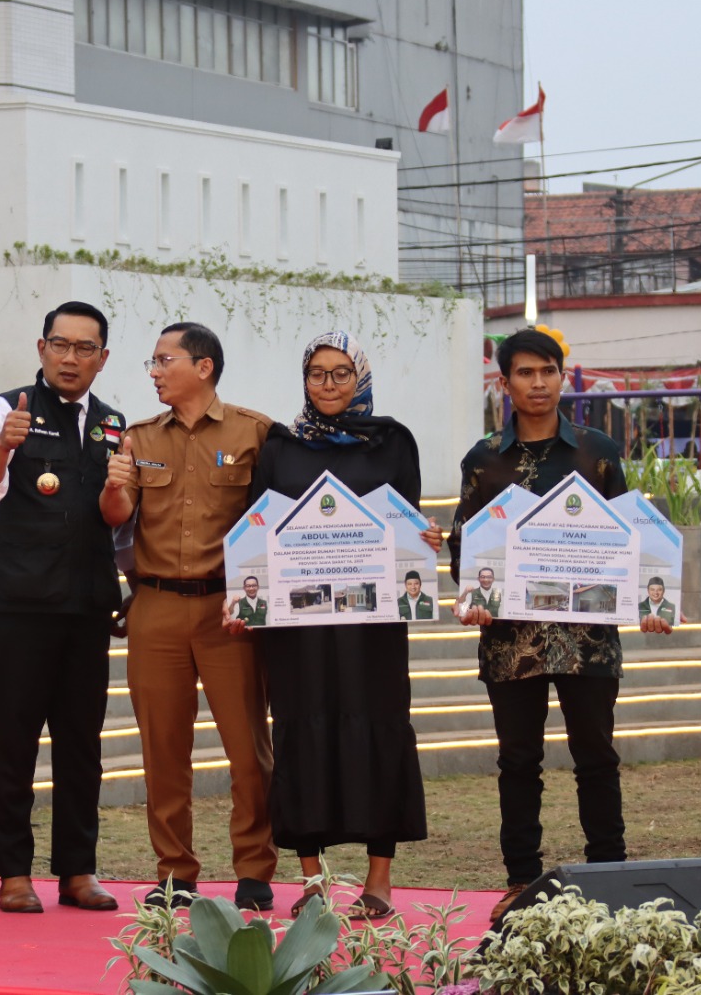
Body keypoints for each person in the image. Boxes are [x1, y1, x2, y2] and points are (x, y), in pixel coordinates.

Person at [448, 328, 674, 925]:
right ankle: (521, 878)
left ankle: (610, 874)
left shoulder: (596, 452)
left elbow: (634, 541)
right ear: (506, 383)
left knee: (596, 756)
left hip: (589, 641)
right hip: (510, 642)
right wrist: (470, 594)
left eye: (548, 371)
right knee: (518, 762)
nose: (539, 382)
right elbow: (463, 549)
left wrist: (653, 601)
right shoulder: (484, 460)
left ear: (563, 377)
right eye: (525, 372)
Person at [230, 330, 438, 921]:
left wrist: (426, 543)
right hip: (298, 627)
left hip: (371, 626)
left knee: (379, 727)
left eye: (340, 372)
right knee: (301, 732)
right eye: (317, 373)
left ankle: (378, 880)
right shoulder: (281, 447)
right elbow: (257, 528)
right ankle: (314, 881)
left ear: (361, 378)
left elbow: (409, 522)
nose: (328, 384)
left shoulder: (393, 442)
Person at [100, 322, 277, 911]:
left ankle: (254, 868)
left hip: (229, 611)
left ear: (202, 367)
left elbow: (273, 522)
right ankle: (175, 870)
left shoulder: (256, 433)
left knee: (248, 749)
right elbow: (115, 516)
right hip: (154, 605)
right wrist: (115, 486)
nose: (153, 371)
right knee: (162, 748)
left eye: (163, 360)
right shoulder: (138, 437)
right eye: (151, 362)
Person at [0, 300, 124, 914]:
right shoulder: (5, 410)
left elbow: (117, 513)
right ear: (41, 348)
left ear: (102, 358)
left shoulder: (113, 423)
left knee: (83, 744)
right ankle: (14, 874)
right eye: (61, 344)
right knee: (15, 742)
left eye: (85, 348)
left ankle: (78, 871)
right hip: (21, 604)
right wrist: (3, 446)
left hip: (87, 606)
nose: (71, 357)